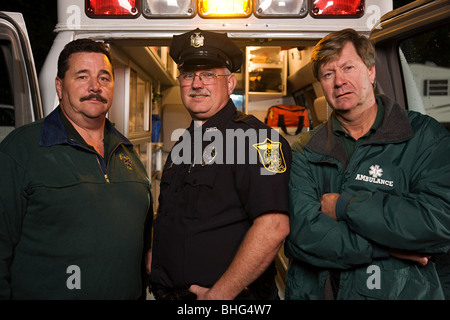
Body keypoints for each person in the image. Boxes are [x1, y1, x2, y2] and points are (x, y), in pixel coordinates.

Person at [284, 28, 450, 300]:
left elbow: (437, 223)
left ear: (371, 72)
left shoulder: (423, 138)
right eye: (328, 74)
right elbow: (302, 237)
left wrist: (344, 206)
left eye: (348, 68)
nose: (339, 81)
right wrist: (387, 248)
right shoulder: (304, 149)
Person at [0, 39, 152, 299]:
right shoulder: (21, 150)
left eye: (104, 78)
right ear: (60, 87)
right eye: (82, 76)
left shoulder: (127, 153)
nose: (95, 87)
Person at [148, 28, 291, 300]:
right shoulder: (183, 142)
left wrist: (218, 296)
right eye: (188, 75)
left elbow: (274, 226)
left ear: (230, 83)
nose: (197, 83)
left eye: (209, 75)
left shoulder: (261, 141)